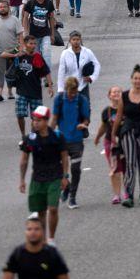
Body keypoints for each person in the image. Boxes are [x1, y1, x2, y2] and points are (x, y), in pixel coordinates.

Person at [110, 65, 140, 207]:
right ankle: (129, 195)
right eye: (135, 78)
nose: (138, 81)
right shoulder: (124, 96)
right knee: (130, 162)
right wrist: (113, 134)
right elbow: (119, 116)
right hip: (128, 131)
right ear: (131, 79)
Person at [19, 107, 69, 244]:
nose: (35, 123)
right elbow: (24, 160)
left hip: (55, 177)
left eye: (39, 120)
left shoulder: (57, 136)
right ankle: (43, 240)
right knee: (40, 212)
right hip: (37, 179)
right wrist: (22, 180)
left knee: (52, 208)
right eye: (34, 120)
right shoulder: (30, 139)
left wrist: (65, 176)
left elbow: (64, 157)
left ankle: (51, 239)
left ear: (46, 121)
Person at [51, 77, 91, 209]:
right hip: (62, 140)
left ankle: (72, 197)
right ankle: (66, 187)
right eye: (70, 92)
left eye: (75, 91)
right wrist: (48, 135)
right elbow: (55, 119)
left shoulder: (81, 100)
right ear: (66, 89)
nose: (73, 94)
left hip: (76, 140)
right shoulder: (59, 100)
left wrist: (83, 125)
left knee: (75, 169)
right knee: (60, 170)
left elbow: (86, 119)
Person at [94, 86, 127, 204]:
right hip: (110, 143)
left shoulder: (126, 109)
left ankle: (127, 192)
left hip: (125, 141)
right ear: (109, 95)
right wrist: (97, 137)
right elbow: (103, 126)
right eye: (114, 92)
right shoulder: (106, 111)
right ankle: (117, 195)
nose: (116, 93)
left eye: (119, 91)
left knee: (126, 167)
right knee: (115, 168)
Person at [0, 1, 24, 102]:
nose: (2, 9)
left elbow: (20, 36)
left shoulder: (15, 20)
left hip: (12, 51)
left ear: (8, 8)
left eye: (4, 7)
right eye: (0, 7)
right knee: (1, 72)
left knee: (10, 73)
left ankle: (9, 91)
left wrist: (21, 49)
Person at [22, 0, 56, 75]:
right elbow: (25, 17)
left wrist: (52, 34)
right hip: (33, 35)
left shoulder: (48, 3)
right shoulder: (31, 3)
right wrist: (26, 32)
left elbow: (51, 19)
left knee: (46, 54)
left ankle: (47, 75)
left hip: (45, 34)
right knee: (36, 56)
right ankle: (37, 74)